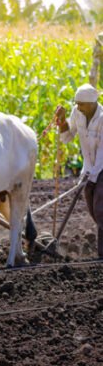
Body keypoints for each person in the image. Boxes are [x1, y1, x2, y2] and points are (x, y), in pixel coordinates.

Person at [56, 83, 103, 258]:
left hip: (101, 168)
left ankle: (101, 256)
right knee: (94, 211)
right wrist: (62, 122)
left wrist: (92, 176)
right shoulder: (78, 113)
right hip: (90, 169)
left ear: (91, 103)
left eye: (80, 103)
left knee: (101, 209)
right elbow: (68, 137)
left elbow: (102, 153)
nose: (77, 106)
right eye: (76, 103)